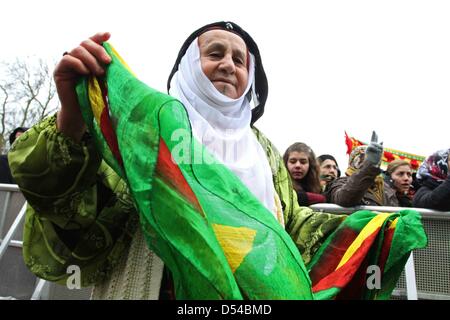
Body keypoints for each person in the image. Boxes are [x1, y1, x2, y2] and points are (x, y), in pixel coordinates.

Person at [8, 22, 425, 300]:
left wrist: (374, 231)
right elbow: (72, 207)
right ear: (190, 66)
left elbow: (287, 230)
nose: (228, 64)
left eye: (240, 60)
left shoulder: (263, 151)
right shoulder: (143, 128)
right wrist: (71, 119)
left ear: (251, 79)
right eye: (214, 53)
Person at [326, 132, 399, 207]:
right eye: (365, 161)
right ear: (354, 161)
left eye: (375, 161)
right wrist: (369, 168)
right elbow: (344, 200)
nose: (367, 165)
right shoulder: (340, 182)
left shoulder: (385, 186)